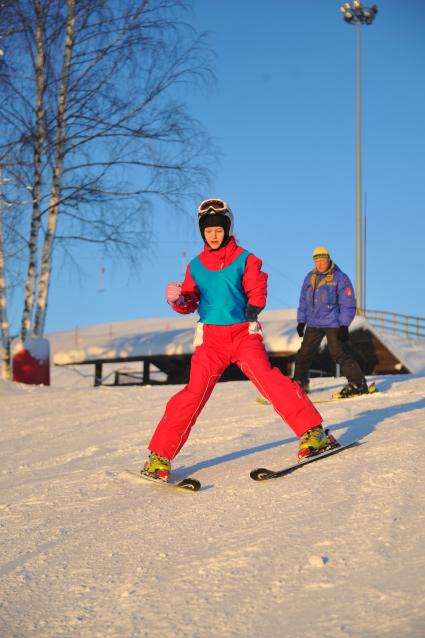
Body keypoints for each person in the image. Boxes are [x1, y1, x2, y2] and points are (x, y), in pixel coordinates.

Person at [142, 198, 332, 480]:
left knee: (269, 380)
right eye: (208, 231)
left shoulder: (245, 259)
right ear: (202, 233)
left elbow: (258, 283)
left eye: (219, 229)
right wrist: (179, 299)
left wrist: (255, 303)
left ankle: (314, 433)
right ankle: (159, 456)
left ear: (228, 229)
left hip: (243, 333)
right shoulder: (195, 266)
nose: (214, 235)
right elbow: (191, 300)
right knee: (194, 392)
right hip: (210, 339)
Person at [293, 246, 369, 397]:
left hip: (333, 323)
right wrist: (301, 321)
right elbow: (303, 302)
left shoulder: (340, 278)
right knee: (303, 354)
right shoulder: (310, 277)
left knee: (338, 353)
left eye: (323, 260)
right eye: (317, 261)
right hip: (314, 323)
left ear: (328, 259)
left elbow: (348, 304)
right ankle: (300, 383)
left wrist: (344, 325)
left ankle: (358, 383)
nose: (320, 264)